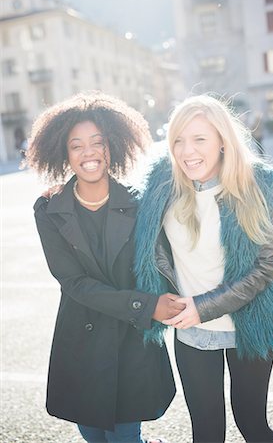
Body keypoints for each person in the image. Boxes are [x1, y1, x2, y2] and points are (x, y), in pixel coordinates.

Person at [26, 91, 184, 443]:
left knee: (124, 437)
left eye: (97, 143)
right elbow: (73, 282)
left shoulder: (142, 204)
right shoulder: (49, 210)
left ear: (112, 147)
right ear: (64, 154)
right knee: (93, 435)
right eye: (76, 145)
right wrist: (146, 305)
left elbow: (166, 263)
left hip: (130, 341)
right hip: (80, 344)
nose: (89, 153)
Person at [134, 94, 273, 443]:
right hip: (191, 331)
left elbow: (264, 268)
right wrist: (66, 191)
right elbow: (119, 203)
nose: (187, 151)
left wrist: (202, 307)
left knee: (253, 425)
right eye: (178, 140)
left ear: (223, 141)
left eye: (199, 139)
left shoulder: (259, 185)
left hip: (249, 324)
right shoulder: (163, 184)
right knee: (206, 434)